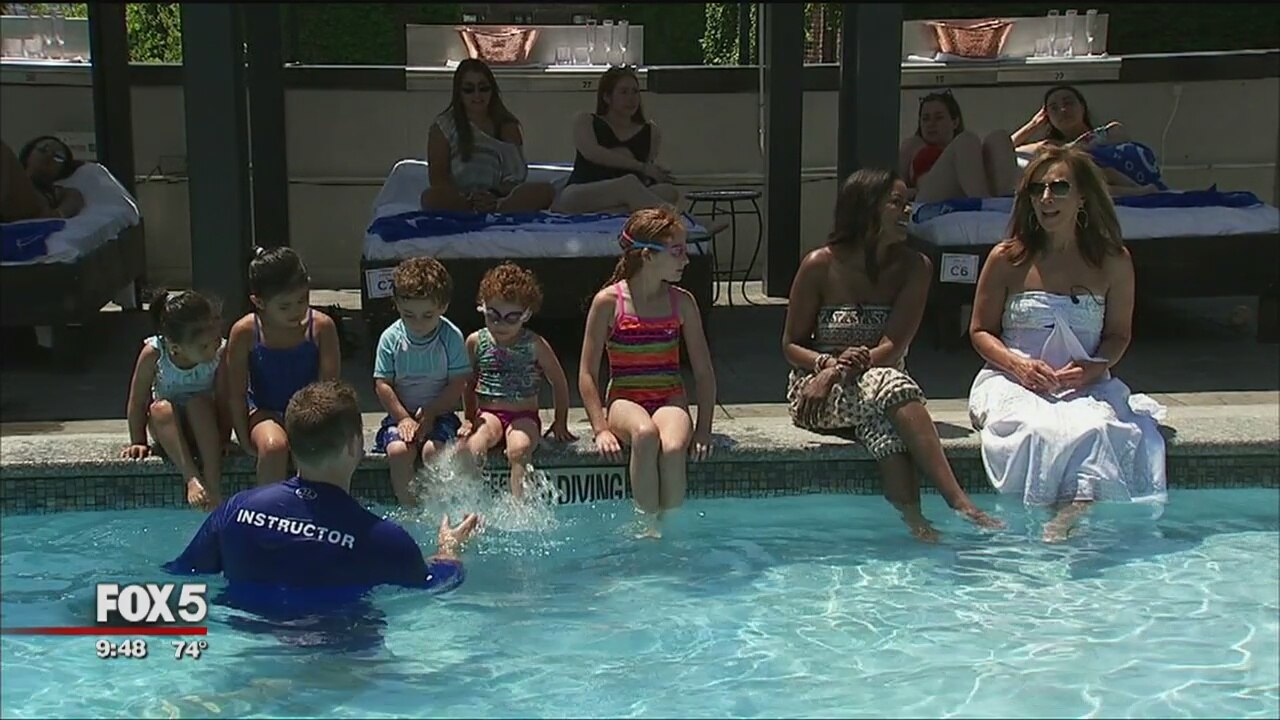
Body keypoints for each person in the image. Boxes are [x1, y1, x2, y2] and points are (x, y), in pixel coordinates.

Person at [782, 169, 1003, 542]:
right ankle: (958, 500)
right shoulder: (819, 264)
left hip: (876, 382)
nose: (907, 211)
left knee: (887, 433)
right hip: (816, 389)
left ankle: (916, 525)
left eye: (908, 203)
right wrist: (826, 367)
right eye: (896, 203)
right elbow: (791, 344)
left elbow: (893, 347)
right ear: (866, 208)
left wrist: (842, 370)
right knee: (894, 387)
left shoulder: (915, 267)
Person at [967, 145, 1168, 542]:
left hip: (1084, 378)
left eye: (1058, 187)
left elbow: (1118, 335)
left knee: (1096, 427)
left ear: (1081, 198)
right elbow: (980, 331)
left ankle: (1074, 511)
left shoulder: (1113, 261)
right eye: (1037, 188)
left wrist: (1095, 367)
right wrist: (1018, 367)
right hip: (1013, 376)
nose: (1046, 198)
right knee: (1035, 428)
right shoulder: (1006, 259)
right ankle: (1034, 522)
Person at [163, 380, 483, 614]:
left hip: (251, 639)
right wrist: (449, 550)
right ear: (353, 446)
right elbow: (438, 582)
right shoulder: (382, 539)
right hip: (343, 658)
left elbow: (182, 572)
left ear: (293, 442)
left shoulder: (236, 510)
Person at [579, 206, 716, 538]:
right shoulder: (609, 302)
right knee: (644, 434)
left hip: (669, 397)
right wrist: (600, 429)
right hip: (625, 398)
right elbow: (586, 373)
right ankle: (646, 527)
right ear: (648, 256)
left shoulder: (681, 302)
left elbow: (704, 372)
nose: (686, 260)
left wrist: (703, 430)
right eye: (678, 251)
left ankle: (671, 528)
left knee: (671, 448)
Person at [225, 247, 342, 486]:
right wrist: (244, 438)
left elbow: (328, 390)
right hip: (265, 411)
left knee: (311, 452)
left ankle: (313, 512)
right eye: (285, 306)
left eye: (302, 300)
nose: (297, 310)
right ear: (258, 302)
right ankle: (270, 515)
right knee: (273, 448)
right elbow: (235, 393)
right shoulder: (246, 332)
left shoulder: (320, 327)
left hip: (310, 412)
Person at [459, 262, 576, 498]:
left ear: (526, 315)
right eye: (493, 315)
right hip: (488, 415)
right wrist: (469, 419)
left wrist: (560, 421)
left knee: (519, 449)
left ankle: (518, 508)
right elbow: (467, 383)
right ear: (482, 307)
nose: (500, 324)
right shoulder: (475, 341)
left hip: (524, 416)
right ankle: (472, 503)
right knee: (473, 447)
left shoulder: (535, 345)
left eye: (511, 318)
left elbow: (559, 382)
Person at [372, 257, 472, 507]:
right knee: (398, 452)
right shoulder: (390, 338)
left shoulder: (450, 337)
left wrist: (433, 412)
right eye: (409, 315)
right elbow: (383, 383)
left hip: (442, 415)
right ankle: (410, 508)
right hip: (400, 416)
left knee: (433, 452)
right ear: (396, 305)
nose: (418, 323)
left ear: (443, 306)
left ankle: (437, 507)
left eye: (427, 315)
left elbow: (458, 382)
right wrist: (403, 417)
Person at [121, 291, 228, 511]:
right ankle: (191, 478)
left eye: (215, 340)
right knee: (160, 409)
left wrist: (224, 438)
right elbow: (138, 399)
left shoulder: (220, 353)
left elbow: (225, 400)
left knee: (199, 403)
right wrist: (137, 440)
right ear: (175, 347)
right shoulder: (154, 353)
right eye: (205, 346)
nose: (213, 348)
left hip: (205, 428)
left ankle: (213, 481)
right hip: (169, 432)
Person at [421, 58, 555, 214]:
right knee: (430, 198)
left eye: (483, 88)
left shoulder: (507, 126)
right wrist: (468, 198)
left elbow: (515, 177)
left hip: (499, 198)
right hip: (460, 198)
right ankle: (470, 209)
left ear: (492, 90)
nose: (477, 95)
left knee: (546, 190)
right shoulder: (443, 126)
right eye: (469, 89)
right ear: (459, 93)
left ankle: (497, 209)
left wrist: (493, 196)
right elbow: (438, 179)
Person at [551, 66, 683, 215]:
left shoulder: (651, 132)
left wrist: (655, 173)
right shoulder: (586, 121)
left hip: (622, 197)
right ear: (607, 97)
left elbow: (646, 174)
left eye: (635, 92)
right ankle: (681, 223)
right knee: (628, 183)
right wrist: (641, 167)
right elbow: (592, 153)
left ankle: (612, 212)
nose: (631, 98)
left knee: (668, 191)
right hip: (581, 193)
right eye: (624, 92)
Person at [1011, 85, 1164, 197]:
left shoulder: (1110, 130)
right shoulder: (1049, 145)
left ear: (1082, 107)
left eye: (1068, 103)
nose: (1062, 110)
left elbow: (1122, 144)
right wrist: (1033, 125)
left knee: (1085, 160)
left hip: (1123, 174)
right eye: (1054, 108)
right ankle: (1138, 193)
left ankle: (1135, 190)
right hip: (1088, 184)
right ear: (1047, 117)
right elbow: (1006, 149)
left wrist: (1081, 150)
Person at [897, 89, 1019, 203]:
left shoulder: (968, 150)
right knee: (966, 139)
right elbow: (896, 186)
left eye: (938, 118)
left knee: (999, 137)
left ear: (955, 122)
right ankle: (984, 203)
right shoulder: (914, 145)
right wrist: (910, 192)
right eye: (925, 119)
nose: (931, 124)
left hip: (967, 192)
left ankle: (1007, 203)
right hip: (929, 199)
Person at [0, 137, 84, 222]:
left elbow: (73, 199)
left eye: (58, 156)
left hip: (33, 208)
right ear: (28, 154)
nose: (49, 155)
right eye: (44, 149)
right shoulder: (10, 173)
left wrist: (56, 215)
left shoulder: (59, 192)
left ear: (62, 169)